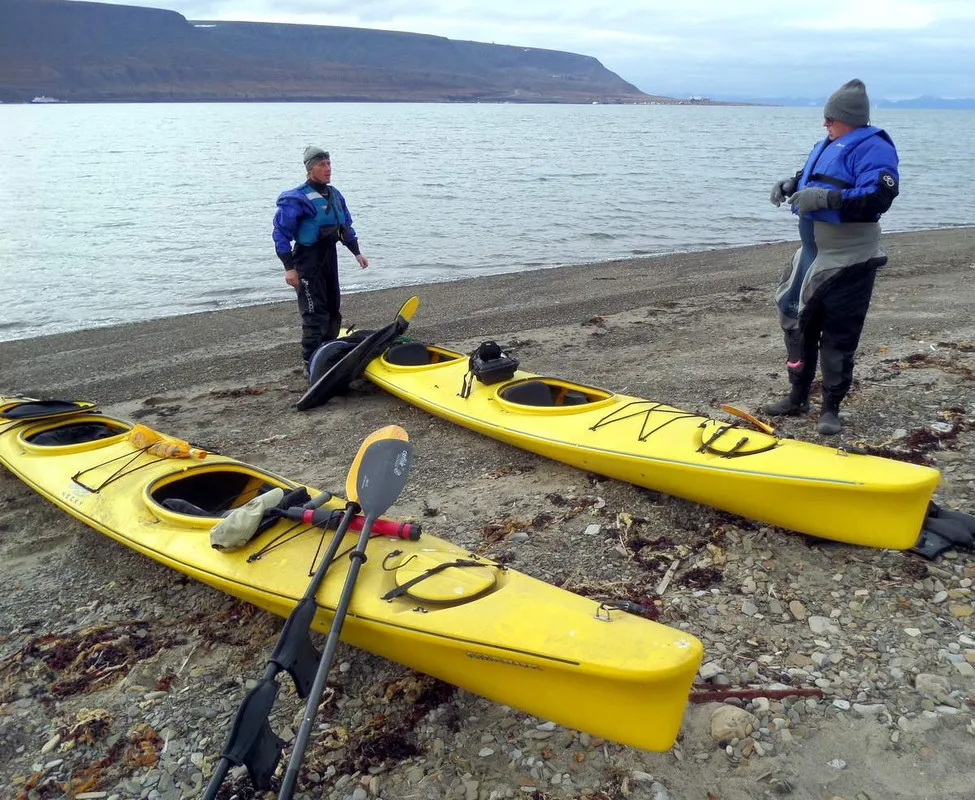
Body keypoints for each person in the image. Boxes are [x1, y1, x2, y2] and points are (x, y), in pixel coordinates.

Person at [764, 79, 899, 435]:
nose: (824, 124)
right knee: (796, 324)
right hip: (812, 256)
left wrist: (824, 200)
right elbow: (821, 176)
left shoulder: (875, 150)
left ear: (850, 119)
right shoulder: (830, 143)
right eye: (825, 117)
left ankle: (831, 409)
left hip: (850, 259)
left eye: (830, 118)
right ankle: (797, 397)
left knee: (839, 335)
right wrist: (792, 184)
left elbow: (878, 197)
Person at [272, 146, 369, 375]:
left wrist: (356, 252)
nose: (327, 169)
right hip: (307, 260)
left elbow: (345, 227)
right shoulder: (296, 198)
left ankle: (328, 355)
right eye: (322, 165)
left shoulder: (334, 195)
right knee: (314, 314)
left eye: (329, 164)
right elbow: (280, 234)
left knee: (333, 310)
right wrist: (289, 269)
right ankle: (310, 364)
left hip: (329, 259)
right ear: (310, 169)